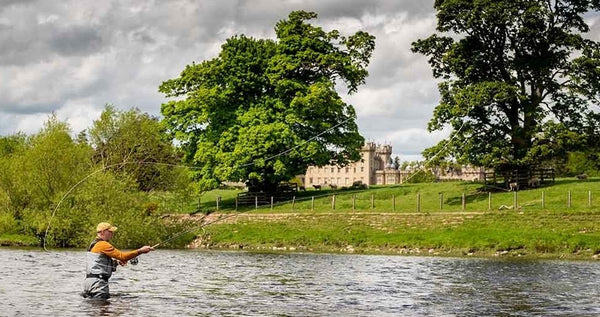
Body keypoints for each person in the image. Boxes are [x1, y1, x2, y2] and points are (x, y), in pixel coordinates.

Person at [82, 222, 154, 299]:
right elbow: (122, 256)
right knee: (102, 309)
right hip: (98, 283)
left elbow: (98, 264)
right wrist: (140, 251)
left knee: (93, 308)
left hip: (89, 283)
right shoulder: (103, 244)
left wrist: (116, 263)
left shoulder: (93, 244)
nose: (112, 233)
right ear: (102, 232)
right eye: (110, 231)